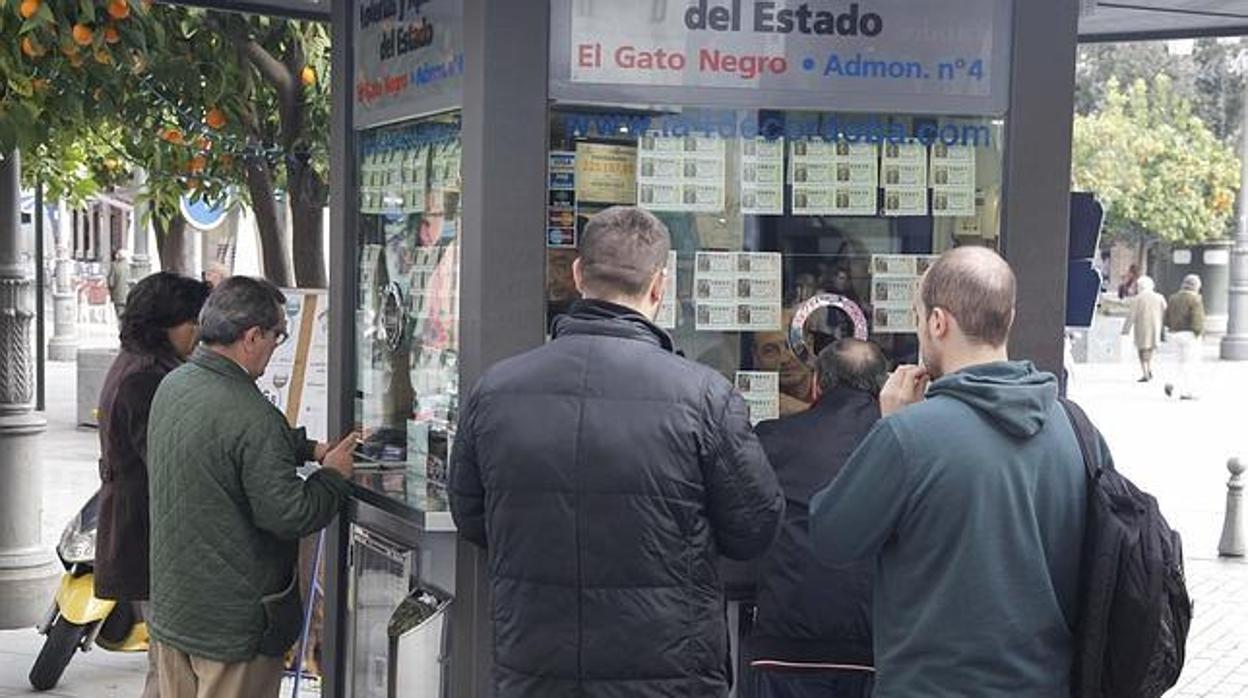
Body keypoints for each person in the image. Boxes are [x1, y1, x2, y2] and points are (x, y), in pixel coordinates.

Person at [450, 206, 783, 696]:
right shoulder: (704, 397)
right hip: (669, 670)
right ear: (659, 286)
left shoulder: (496, 391)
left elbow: (473, 518)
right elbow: (755, 527)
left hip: (535, 665)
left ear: (579, 274)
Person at [810, 246, 1087, 696]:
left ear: (938, 322)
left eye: (919, 317)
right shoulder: (1076, 430)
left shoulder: (908, 436)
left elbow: (831, 536)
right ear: (1009, 319)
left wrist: (892, 426)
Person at [146, 276, 358, 698]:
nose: (276, 346)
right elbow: (289, 513)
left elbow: (223, 446)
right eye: (278, 336)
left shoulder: (175, 385)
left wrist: (309, 447)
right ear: (252, 336)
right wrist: (333, 476)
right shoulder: (249, 412)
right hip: (234, 627)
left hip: (177, 611)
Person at [94, 272, 211, 698]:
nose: (198, 333)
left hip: (140, 523)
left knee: (164, 665)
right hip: (146, 528)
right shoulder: (147, 377)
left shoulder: (139, 362)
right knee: (169, 664)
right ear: (165, 323)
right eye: (192, 322)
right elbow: (167, 463)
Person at [749, 338, 888, 698]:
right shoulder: (902, 445)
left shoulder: (772, 438)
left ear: (816, 385)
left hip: (785, 647)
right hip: (875, 647)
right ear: (881, 389)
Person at [752, 310, 815, 416]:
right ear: (756, 357)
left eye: (792, 346)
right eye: (770, 350)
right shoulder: (744, 401)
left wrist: (803, 411)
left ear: (810, 345)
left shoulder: (837, 391)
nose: (784, 359)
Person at [1165, 273, 1206, 400]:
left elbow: (1166, 318)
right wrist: (1198, 333)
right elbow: (1197, 319)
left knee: (1176, 361)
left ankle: (1170, 382)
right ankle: (1188, 392)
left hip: (1174, 334)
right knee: (1190, 364)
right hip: (1189, 335)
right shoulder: (1195, 299)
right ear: (1195, 286)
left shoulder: (1173, 298)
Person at [1121, 275, 1167, 382]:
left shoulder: (1137, 299)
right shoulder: (1159, 297)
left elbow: (1131, 315)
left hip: (1142, 327)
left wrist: (1126, 329)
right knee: (1150, 349)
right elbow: (1166, 311)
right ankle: (1149, 368)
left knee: (1142, 350)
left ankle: (1145, 371)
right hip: (1155, 326)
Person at [107, 249, 131, 318]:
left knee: (120, 314)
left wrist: (110, 290)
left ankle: (121, 327)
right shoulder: (128, 265)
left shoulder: (114, 265)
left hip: (118, 295)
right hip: (128, 294)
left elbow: (111, 282)